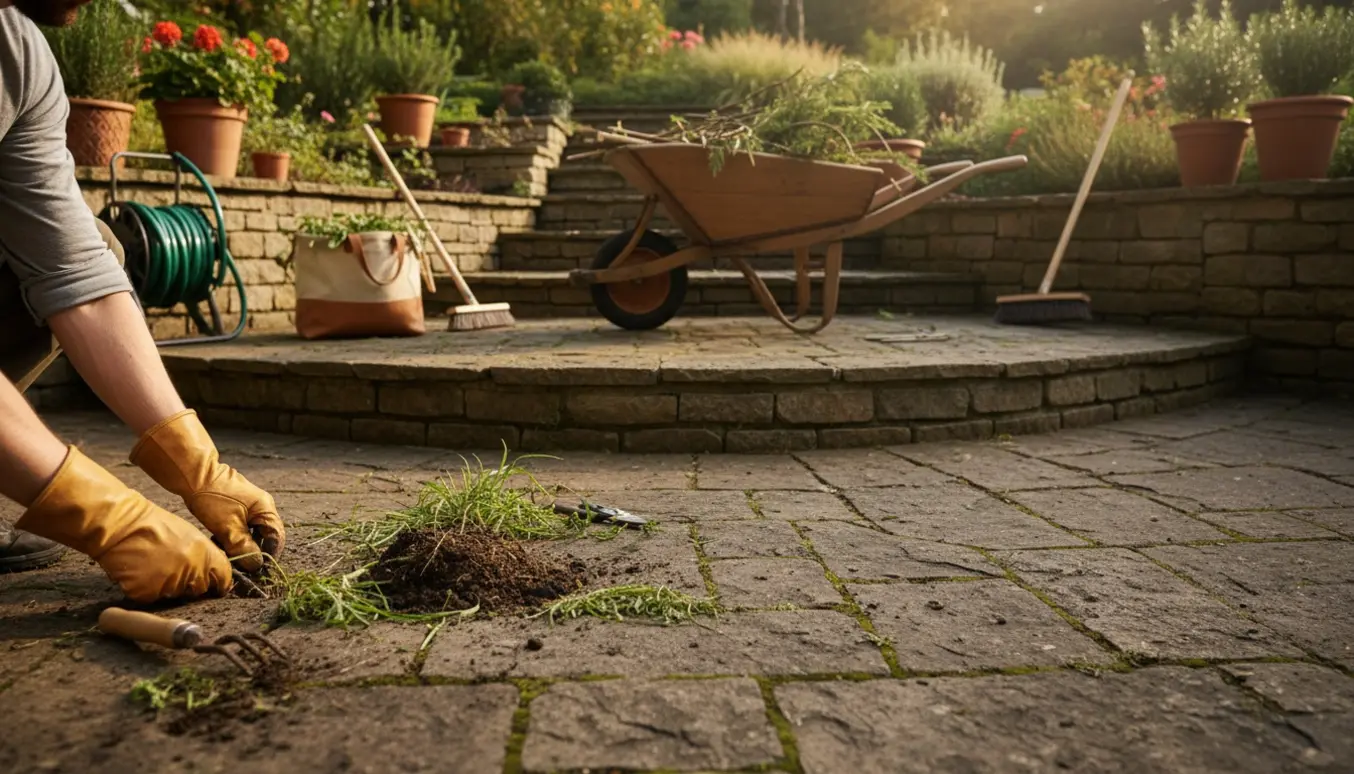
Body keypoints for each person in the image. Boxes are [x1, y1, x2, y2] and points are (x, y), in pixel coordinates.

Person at [0, 0, 284, 602]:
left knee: (99, 244)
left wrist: (198, 467)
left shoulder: (17, 51)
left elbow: (71, 268)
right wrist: (107, 517)